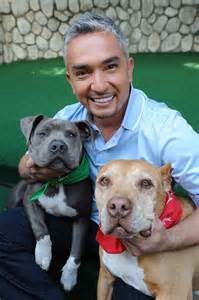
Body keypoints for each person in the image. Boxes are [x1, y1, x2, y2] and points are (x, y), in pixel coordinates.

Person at [0, 12, 199, 300]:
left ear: (129, 68)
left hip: (137, 234)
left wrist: (166, 240)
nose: (99, 84)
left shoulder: (168, 131)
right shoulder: (69, 119)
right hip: (85, 225)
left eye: (110, 67)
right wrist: (30, 168)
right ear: (69, 79)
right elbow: (28, 160)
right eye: (83, 72)